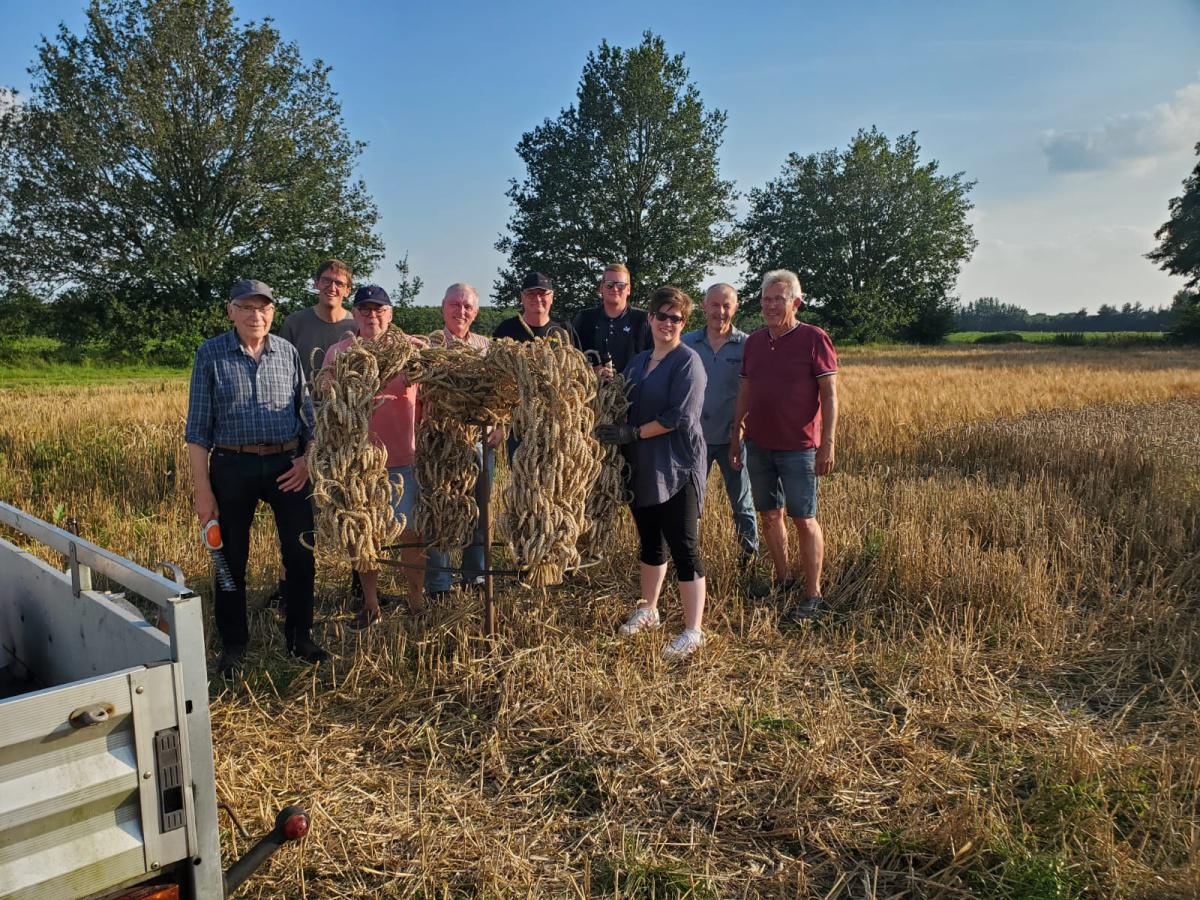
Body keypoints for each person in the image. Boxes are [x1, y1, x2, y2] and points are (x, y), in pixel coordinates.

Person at [185, 279, 327, 677]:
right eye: (246, 307)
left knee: (300, 553)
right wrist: (202, 490)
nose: (255, 316)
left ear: (272, 312)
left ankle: (300, 636)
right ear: (230, 311)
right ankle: (233, 645)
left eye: (263, 308)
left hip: (288, 466)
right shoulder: (210, 354)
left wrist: (307, 461)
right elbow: (197, 430)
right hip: (233, 466)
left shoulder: (287, 352)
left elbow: (309, 417)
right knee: (230, 559)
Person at [596, 285, 708, 659]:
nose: (668, 323)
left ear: (684, 323)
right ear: (650, 318)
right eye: (662, 315)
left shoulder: (688, 362)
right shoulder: (639, 361)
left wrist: (633, 432)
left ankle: (693, 630)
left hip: (677, 465)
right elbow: (619, 398)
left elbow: (680, 416)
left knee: (684, 546)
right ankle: (649, 609)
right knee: (649, 541)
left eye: (676, 318)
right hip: (641, 466)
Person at [730, 269, 839, 622]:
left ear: (795, 301)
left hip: (799, 446)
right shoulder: (756, 342)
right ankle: (782, 579)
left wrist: (828, 444)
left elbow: (830, 394)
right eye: (765, 299)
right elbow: (745, 391)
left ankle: (813, 594)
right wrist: (736, 436)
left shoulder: (814, 338)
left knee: (803, 518)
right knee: (769, 515)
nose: (770, 305)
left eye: (778, 298)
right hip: (759, 444)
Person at [319, 285, 427, 629]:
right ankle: (370, 604)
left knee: (411, 533)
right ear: (355, 314)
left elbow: (430, 399)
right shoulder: (339, 353)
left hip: (404, 459)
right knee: (364, 536)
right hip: (358, 464)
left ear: (390, 314)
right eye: (365, 309)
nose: (372, 315)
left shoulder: (410, 352)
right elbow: (326, 404)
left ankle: (416, 602)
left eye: (379, 309)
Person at [424, 283, 503, 598]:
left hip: (480, 441)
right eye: (455, 304)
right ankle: (439, 584)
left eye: (467, 306)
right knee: (439, 509)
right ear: (443, 307)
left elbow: (502, 392)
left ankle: (475, 576)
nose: (461, 311)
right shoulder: (427, 346)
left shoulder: (487, 347)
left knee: (479, 510)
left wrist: (501, 424)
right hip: (439, 443)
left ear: (476, 311)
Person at [681, 284, 758, 565]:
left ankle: (748, 560)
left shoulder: (748, 344)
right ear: (704, 306)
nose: (720, 311)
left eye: (726, 305)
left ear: (735, 308)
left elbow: (754, 392)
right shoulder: (686, 342)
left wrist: (740, 431)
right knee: (692, 505)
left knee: (741, 503)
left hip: (732, 440)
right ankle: (688, 560)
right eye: (715, 305)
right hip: (693, 440)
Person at [279, 258, 358, 382]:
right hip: (302, 401)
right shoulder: (294, 323)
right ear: (316, 283)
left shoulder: (357, 327)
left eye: (339, 283)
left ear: (347, 291)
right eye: (326, 280)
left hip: (347, 401)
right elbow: (281, 370)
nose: (332, 288)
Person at [572, 262, 651, 374]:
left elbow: (655, 358)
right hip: (592, 389)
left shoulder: (643, 319)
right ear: (601, 288)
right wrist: (589, 370)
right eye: (609, 284)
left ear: (628, 289)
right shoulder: (584, 318)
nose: (615, 289)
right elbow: (571, 358)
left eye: (621, 285)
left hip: (632, 389)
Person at [492, 271, 579, 346]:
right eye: (531, 294)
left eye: (542, 293)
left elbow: (578, 362)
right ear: (522, 297)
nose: (537, 299)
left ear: (552, 297)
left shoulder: (564, 329)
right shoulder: (506, 328)